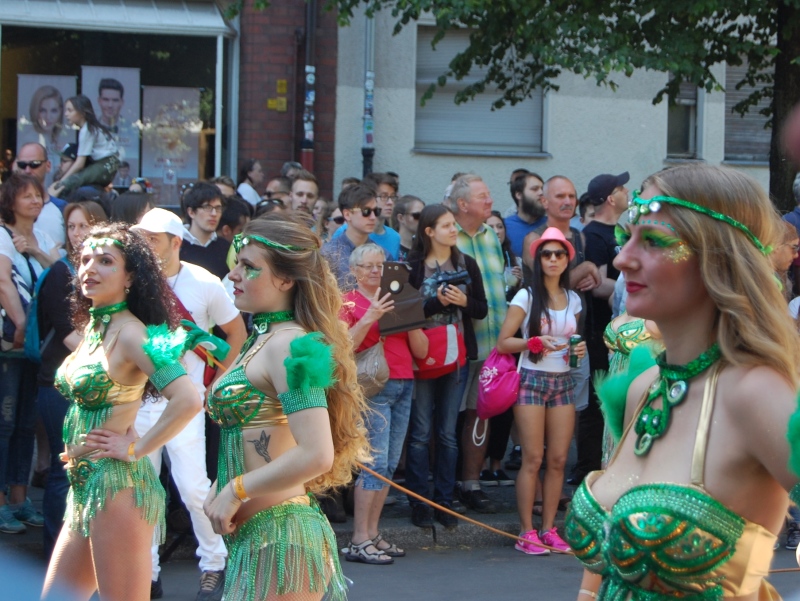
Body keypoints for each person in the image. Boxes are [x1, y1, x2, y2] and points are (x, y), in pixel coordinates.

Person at [565, 164, 800, 601]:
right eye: (626, 237)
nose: (621, 258)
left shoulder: (755, 393)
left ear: (720, 257)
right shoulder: (644, 387)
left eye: (653, 241)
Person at [203, 214, 369, 601]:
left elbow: (316, 453)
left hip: (282, 541)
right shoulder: (261, 339)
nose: (234, 276)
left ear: (285, 279)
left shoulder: (290, 345)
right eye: (236, 265)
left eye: (249, 267)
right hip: (254, 538)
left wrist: (234, 491)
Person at [40, 222, 203, 600]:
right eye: (84, 260)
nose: (89, 269)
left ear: (130, 277)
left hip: (116, 489)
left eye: (105, 261)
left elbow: (187, 398)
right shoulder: (97, 328)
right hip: (84, 487)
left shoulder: (132, 334)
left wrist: (136, 448)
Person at [132, 208, 246, 600]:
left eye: (153, 239)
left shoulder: (205, 282)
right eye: (141, 237)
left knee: (194, 488)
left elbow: (236, 334)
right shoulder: (131, 282)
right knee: (143, 491)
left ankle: (213, 564)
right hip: (138, 402)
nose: (145, 246)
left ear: (175, 241)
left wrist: (218, 381)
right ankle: (146, 573)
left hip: (188, 403)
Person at [497, 227, 586, 555]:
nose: (552, 259)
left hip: (562, 380)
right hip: (531, 378)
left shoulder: (573, 299)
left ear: (567, 259)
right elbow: (503, 342)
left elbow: (572, 344)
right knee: (533, 458)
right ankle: (526, 531)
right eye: (546, 254)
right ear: (538, 259)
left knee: (559, 459)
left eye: (558, 254)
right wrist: (533, 342)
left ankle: (550, 528)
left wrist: (579, 351)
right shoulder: (526, 296)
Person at [340, 244, 428, 564]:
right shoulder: (347, 301)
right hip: (373, 386)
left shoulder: (398, 297)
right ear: (354, 271)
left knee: (389, 465)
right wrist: (370, 316)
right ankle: (359, 538)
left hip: (404, 382)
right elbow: (343, 347)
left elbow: (421, 351)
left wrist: (411, 318)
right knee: (374, 464)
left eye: (381, 265)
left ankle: (373, 533)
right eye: (368, 266)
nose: (376, 271)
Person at [406, 204, 487, 528]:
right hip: (422, 356)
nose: (454, 230)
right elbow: (403, 312)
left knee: (448, 433)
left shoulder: (467, 263)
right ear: (429, 232)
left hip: (456, 358)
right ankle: (419, 502)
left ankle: (444, 501)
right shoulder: (412, 266)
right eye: (446, 225)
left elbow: (481, 309)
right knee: (421, 432)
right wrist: (435, 303)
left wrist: (464, 302)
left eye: (454, 224)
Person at [37, 200, 107, 557]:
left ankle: (82, 556)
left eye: (85, 226)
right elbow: (68, 335)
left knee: (88, 469)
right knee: (63, 468)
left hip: (92, 387)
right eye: (72, 227)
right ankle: (55, 554)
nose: (78, 234)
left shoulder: (107, 271)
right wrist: (117, 364)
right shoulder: (61, 274)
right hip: (57, 383)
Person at [0, 173, 60, 535]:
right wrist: (23, 327)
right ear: (10, 200)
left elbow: (60, 274)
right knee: (4, 424)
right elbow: (4, 284)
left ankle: (21, 500)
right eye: (26, 196)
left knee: (25, 423)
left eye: (38, 195)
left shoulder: (47, 238)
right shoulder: (1, 236)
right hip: (12, 346)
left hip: (38, 346)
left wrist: (35, 250)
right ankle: (2, 503)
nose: (35, 201)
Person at [47, 96, 119, 199]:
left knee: (71, 182)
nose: (66, 114)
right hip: (109, 164)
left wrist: (62, 181)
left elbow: (79, 164)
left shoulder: (87, 130)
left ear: (82, 112)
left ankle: (55, 199)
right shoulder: (92, 127)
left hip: (105, 165)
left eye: (70, 110)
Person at [322, 183, 385, 290]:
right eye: (366, 211)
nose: (373, 217)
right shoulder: (328, 255)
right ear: (347, 214)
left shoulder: (383, 255)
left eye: (376, 211)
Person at [13, 142, 67, 250]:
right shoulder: (6, 207)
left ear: (48, 166)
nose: (27, 170)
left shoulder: (62, 208)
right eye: (22, 165)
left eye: (34, 164)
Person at [180, 182, 232, 281]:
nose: (214, 213)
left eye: (218, 208)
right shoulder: (176, 245)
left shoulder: (226, 248)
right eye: (207, 207)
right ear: (191, 212)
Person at [25, 85, 70, 186]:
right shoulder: (31, 140)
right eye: (43, 110)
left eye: (53, 111)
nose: (48, 117)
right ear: (36, 111)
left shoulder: (57, 140)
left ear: (60, 112)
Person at [392, 195, 425, 261]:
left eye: (424, 215)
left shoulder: (425, 248)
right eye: (417, 216)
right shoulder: (390, 248)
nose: (422, 219)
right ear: (401, 218)